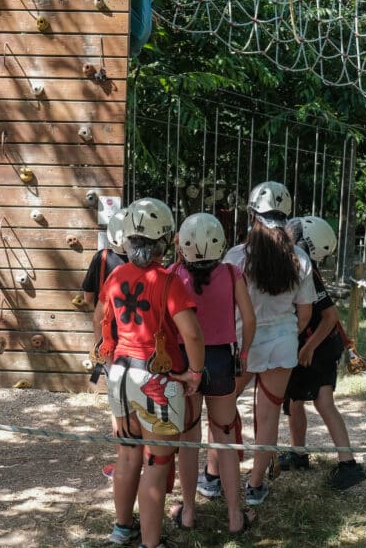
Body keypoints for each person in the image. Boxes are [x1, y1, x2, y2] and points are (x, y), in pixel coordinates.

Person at [94, 197, 205, 548]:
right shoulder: (170, 282)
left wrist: (107, 353)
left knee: (127, 455)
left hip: (120, 374)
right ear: (164, 240)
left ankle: (123, 528)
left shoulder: (115, 275)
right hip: (156, 380)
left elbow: (100, 318)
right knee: (156, 463)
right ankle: (151, 543)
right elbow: (192, 333)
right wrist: (195, 372)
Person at [203, 181, 315, 506]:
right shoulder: (300, 259)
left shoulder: (235, 257)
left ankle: (213, 477)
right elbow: (305, 313)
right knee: (267, 419)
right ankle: (254, 487)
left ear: (252, 214)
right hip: (282, 345)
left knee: (221, 413)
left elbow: (222, 306)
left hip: (240, 345)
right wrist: (287, 335)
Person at [168, 213, 257, 534]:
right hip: (221, 360)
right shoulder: (232, 272)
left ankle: (189, 511)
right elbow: (249, 319)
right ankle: (235, 516)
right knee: (225, 438)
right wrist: (244, 354)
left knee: (188, 439)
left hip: (183, 362)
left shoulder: (173, 273)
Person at [281, 216, 366, 489]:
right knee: (295, 401)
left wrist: (308, 347)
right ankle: (299, 453)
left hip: (319, 348)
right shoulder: (299, 269)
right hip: (309, 347)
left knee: (323, 402)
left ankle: (348, 464)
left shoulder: (310, 276)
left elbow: (330, 317)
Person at [81, 209, 129, 479]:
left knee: (117, 400)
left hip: (110, 339)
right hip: (140, 341)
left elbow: (89, 299)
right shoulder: (142, 261)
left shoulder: (101, 259)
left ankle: (124, 460)